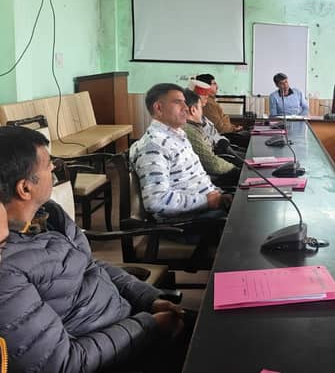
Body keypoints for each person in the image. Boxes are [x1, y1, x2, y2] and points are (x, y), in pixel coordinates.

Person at [0, 126, 190, 373]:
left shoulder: (49, 216)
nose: (54, 167)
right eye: (47, 165)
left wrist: (149, 299)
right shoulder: (7, 270)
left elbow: (90, 266)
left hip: (129, 324)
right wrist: (150, 326)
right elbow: (63, 363)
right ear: (25, 188)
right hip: (118, 357)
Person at [130, 83, 231, 221]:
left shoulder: (177, 135)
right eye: (178, 102)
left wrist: (219, 196)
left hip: (208, 206)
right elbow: (156, 201)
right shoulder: (154, 146)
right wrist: (207, 201)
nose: (186, 108)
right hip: (191, 221)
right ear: (158, 108)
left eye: (185, 102)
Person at [183, 89, 240, 188]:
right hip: (204, 179)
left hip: (206, 172)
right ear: (193, 110)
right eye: (200, 107)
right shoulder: (190, 130)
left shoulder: (195, 125)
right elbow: (212, 164)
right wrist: (236, 170)